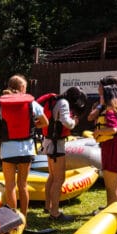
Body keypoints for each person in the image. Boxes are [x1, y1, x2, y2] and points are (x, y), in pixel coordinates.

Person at [0, 74, 48, 216]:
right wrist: (32, 125)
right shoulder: (31, 103)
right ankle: (24, 218)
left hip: (8, 150)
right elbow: (45, 122)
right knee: (23, 185)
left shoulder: (1, 104)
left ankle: (13, 219)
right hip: (26, 149)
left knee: (10, 186)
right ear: (22, 88)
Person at [42, 87, 87, 221]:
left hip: (49, 142)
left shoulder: (57, 101)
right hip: (56, 145)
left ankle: (48, 206)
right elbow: (66, 122)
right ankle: (55, 213)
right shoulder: (63, 103)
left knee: (52, 176)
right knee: (59, 179)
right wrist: (75, 122)